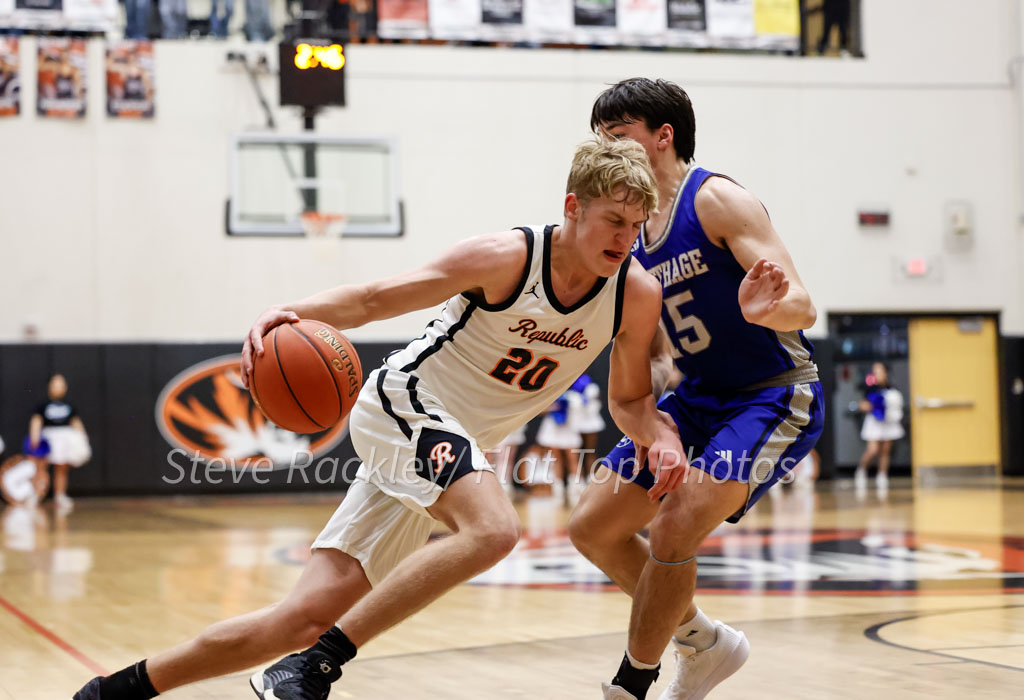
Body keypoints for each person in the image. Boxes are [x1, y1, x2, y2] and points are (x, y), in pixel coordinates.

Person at [72, 138, 689, 700]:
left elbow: (629, 401)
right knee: (495, 530)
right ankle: (315, 666)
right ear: (573, 207)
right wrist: (290, 309)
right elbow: (376, 298)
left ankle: (116, 691)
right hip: (405, 403)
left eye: (636, 226)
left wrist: (658, 436)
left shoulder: (634, 293)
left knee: (303, 616)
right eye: (613, 220)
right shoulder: (505, 258)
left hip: (449, 450)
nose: (624, 238)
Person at [566, 78, 825, 700]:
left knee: (676, 525)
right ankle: (705, 644)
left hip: (773, 390)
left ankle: (632, 684)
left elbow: (804, 305)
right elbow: (655, 354)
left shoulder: (715, 200)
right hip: (700, 396)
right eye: (601, 139)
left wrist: (766, 311)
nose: (610, 150)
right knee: (592, 527)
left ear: (664, 136)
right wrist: (655, 424)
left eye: (620, 136)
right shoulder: (628, 232)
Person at [28, 374, 91, 510]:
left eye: (61, 385)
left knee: (61, 468)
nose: (58, 388)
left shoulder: (69, 406)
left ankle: (60, 495)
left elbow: (76, 423)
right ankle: (36, 494)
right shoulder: (43, 405)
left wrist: (83, 439)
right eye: (55, 384)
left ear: (65, 388)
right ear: (50, 386)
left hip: (64, 438)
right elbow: (36, 421)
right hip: (48, 437)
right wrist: (35, 437)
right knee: (41, 467)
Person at [854, 361, 904, 493]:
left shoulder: (892, 390)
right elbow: (862, 404)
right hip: (874, 422)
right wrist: (869, 407)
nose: (877, 374)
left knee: (885, 450)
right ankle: (862, 470)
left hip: (888, 422)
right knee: (873, 449)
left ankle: (882, 475)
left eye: (880, 371)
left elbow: (896, 406)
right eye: (875, 372)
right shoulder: (869, 389)